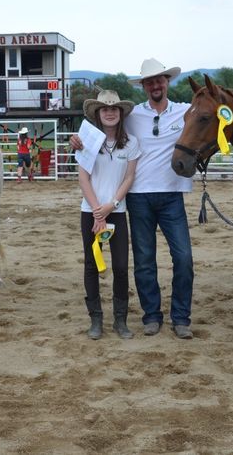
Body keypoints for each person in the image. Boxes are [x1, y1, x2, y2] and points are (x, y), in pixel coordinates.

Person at [124, 58, 195, 339]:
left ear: (167, 82)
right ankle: (151, 315)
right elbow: (104, 127)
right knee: (144, 261)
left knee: (184, 258)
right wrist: (78, 141)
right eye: (150, 81)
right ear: (144, 86)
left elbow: (216, 106)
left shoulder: (185, 111)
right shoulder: (131, 115)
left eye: (160, 80)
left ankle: (181, 317)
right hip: (138, 196)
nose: (156, 85)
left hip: (172, 195)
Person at [78, 90, 141, 340]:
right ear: (98, 113)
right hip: (91, 212)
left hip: (116, 211)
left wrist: (111, 205)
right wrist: (98, 212)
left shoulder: (131, 143)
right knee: (91, 264)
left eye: (114, 108)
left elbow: (129, 177)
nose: (110, 112)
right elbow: (83, 178)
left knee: (121, 266)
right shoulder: (87, 141)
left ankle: (120, 319)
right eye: (105, 108)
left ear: (121, 113)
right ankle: (96, 319)